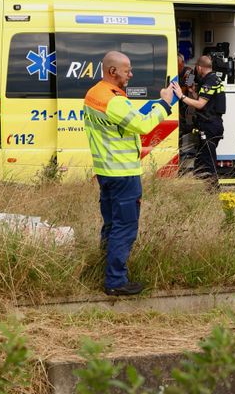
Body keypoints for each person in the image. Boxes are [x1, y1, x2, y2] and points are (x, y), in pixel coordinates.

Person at [84, 51, 174, 296]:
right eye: (127, 70)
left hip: (105, 171)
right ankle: (115, 281)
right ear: (112, 72)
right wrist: (165, 103)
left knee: (112, 225)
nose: (130, 75)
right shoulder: (114, 100)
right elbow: (143, 125)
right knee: (125, 228)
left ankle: (103, 269)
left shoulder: (94, 94)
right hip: (123, 173)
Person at [172, 55, 225, 189]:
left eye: (178, 63)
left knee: (208, 159)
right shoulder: (209, 79)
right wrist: (192, 91)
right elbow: (203, 99)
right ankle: (200, 188)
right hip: (207, 122)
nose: (177, 66)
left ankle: (213, 189)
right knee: (202, 158)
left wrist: (182, 94)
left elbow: (201, 104)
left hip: (209, 123)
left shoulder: (190, 73)